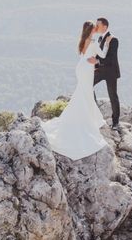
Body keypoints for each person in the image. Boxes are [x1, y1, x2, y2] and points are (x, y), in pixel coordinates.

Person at [40, 20, 110, 160]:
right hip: (87, 69)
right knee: (85, 93)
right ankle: (87, 118)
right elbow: (102, 55)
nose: (96, 29)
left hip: (80, 68)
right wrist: (106, 45)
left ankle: (88, 116)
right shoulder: (94, 42)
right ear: (91, 30)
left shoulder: (82, 40)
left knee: (83, 93)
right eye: (95, 27)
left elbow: (83, 56)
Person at [90, 17, 121, 130]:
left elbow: (111, 58)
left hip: (111, 72)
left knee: (113, 96)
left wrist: (97, 61)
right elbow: (99, 55)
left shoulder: (113, 40)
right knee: (88, 85)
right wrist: (95, 65)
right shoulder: (99, 39)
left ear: (105, 26)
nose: (96, 27)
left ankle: (116, 123)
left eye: (98, 25)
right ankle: (95, 113)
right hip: (100, 70)